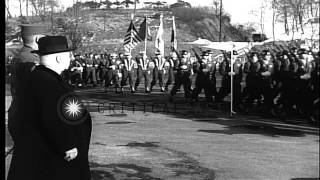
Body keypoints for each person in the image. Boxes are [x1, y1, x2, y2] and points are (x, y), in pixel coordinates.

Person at [7, 36, 92, 180]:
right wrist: (68, 144)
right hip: (52, 158)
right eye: (68, 55)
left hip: (44, 154)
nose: (71, 58)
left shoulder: (42, 77)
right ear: (59, 58)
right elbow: (52, 117)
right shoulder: (47, 82)